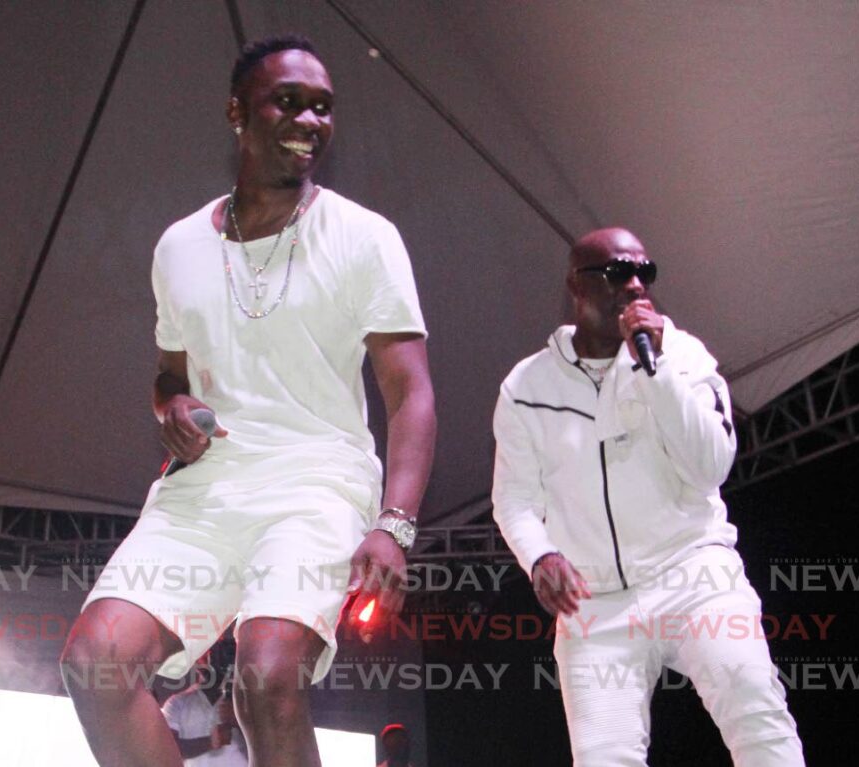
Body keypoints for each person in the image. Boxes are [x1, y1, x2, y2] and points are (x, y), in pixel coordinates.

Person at [60, 35, 436, 767]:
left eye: (323, 107)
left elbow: (410, 390)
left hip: (317, 481)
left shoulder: (364, 236)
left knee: (267, 677)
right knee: (95, 663)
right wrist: (171, 407)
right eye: (288, 101)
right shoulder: (177, 246)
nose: (310, 119)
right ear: (238, 112)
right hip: (205, 492)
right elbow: (170, 375)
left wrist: (395, 523)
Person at [491, 228, 805, 766]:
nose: (636, 286)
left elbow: (711, 467)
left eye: (645, 272)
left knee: (756, 711)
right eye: (618, 273)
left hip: (694, 574)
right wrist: (540, 555)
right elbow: (514, 498)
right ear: (576, 286)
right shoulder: (527, 386)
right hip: (594, 602)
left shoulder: (682, 356)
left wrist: (655, 372)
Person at [161, 655, 248, 766]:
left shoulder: (246, 703)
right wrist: (209, 742)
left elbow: (268, 748)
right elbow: (167, 749)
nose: (208, 662)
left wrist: (238, 722)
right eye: (203, 657)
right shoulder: (177, 703)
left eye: (214, 655)